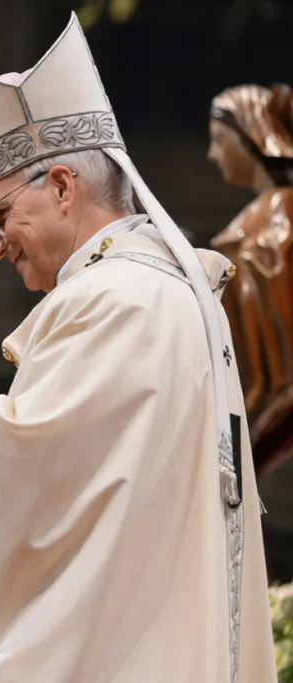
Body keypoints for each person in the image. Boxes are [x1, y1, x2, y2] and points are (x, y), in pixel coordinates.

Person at [0, 14, 276, 683]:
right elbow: (103, 496)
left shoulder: (108, 300)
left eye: (2, 214)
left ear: (64, 188)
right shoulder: (181, 295)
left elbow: (49, 500)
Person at [207, 83, 293, 583]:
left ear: (251, 137)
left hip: (267, 406)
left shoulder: (274, 227)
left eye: (221, 138)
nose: (213, 154)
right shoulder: (262, 221)